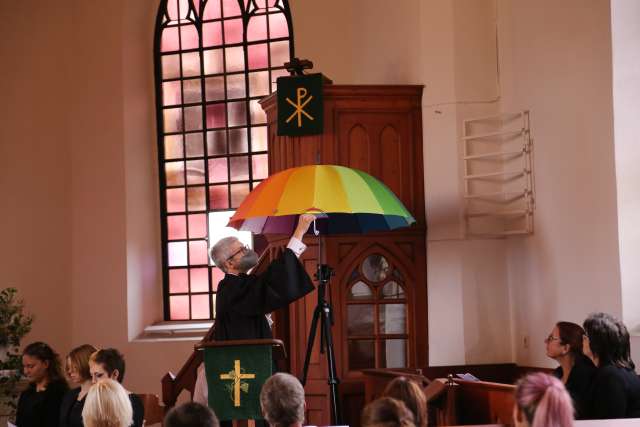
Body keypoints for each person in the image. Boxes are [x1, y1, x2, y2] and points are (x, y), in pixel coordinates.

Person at [194, 214, 316, 406]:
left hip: (251, 365)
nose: (248, 251)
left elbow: (267, 285)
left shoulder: (242, 284)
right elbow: (273, 282)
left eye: (245, 247)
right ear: (229, 263)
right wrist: (299, 231)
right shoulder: (231, 288)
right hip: (243, 370)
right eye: (241, 250)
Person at [582, 312, 640, 419]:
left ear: (598, 342)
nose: (583, 339)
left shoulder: (610, 376)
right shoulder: (624, 371)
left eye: (586, 335)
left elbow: (608, 422)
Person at [544, 321, 595, 419]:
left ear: (566, 348)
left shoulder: (585, 377)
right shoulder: (556, 374)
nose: (546, 341)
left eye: (551, 338)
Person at [16, 341, 69, 427]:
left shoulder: (59, 393)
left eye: (30, 366)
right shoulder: (26, 394)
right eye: (24, 366)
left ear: (46, 364)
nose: (25, 371)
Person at [88, 349, 144, 426]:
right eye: (91, 376)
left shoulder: (133, 402)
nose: (93, 381)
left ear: (115, 374)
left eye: (98, 375)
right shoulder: (95, 399)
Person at [60, 344, 98, 427]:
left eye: (74, 367)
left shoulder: (99, 395)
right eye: (68, 367)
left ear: (86, 364)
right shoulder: (69, 395)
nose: (70, 371)